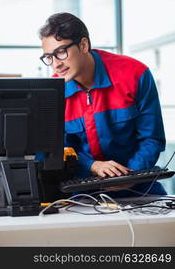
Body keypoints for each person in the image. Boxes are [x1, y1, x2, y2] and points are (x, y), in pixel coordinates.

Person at [38, 12, 167, 197]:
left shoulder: (135, 75)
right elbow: (51, 150)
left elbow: (152, 139)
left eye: (61, 52)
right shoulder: (53, 94)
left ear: (83, 45)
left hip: (138, 184)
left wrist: (126, 176)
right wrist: (92, 165)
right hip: (82, 189)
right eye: (49, 57)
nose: (56, 64)